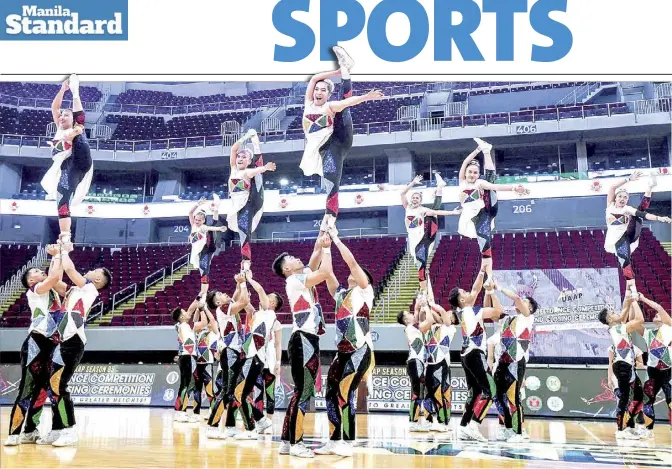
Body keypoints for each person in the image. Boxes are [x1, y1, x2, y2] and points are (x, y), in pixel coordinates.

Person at [300, 46, 384, 229]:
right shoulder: (308, 103)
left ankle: (330, 217)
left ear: (328, 94)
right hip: (321, 146)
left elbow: (347, 101)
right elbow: (314, 78)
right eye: (317, 90)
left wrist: (366, 97)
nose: (319, 92)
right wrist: (337, 71)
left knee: (331, 177)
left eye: (323, 90)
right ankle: (346, 69)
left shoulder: (330, 106)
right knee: (327, 174)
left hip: (338, 140)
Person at [315, 228, 375, 456]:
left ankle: (344, 442)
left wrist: (337, 239)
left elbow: (351, 262)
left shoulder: (365, 291)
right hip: (342, 352)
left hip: (360, 350)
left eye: (360, 273)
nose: (354, 273)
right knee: (332, 394)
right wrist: (325, 246)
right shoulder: (340, 293)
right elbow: (326, 272)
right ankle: (337, 440)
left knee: (343, 392)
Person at [44, 246, 111, 447]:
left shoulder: (89, 288)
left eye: (96, 271)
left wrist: (64, 249)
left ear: (98, 280)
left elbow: (71, 270)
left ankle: (69, 429)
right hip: (62, 340)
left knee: (59, 385)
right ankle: (57, 429)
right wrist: (56, 257)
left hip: (74, 342)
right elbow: (53, 280)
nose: (92, 270)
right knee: (52, 386)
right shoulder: (75, 290)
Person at [272, 234, 333, 458]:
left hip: (307, 339)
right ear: (286, 269)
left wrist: (324, 232)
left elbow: (314, 257)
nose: (298, 258)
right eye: (291, 258)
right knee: (304, 392)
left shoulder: (300, 276)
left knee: (300, 392)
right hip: (303, 340)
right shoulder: (294, 281)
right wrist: (327, 249)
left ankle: (287, 442)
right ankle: (297, 443)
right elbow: (324, 271)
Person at [4, 245, 67, 446]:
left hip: (53, 344)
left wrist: (60, 254)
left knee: (45, 390)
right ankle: (14, 433)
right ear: (31, 280)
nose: (42, 272)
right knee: (26, 388)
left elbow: (58, 276)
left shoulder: (53, 291)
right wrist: (57, 254)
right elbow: (54, 277)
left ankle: (31, 430)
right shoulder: (35, 290)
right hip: (36, 342)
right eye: (38, 272)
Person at [457, 138, 528, 283]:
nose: (472, 174)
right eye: (470, 172)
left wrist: (514, 188)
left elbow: (496, 187)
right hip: (473, 217)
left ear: (478, 174)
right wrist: (477, 150)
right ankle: (486, 150)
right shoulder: (462, 182)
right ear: (465, 173)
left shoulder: (480, 182)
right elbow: (465, 162)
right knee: (484, 247)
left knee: (491, 183)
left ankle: (489, 277)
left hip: (487, 210)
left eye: (475, 173)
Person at [448, 266, 503, 442]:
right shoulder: (470, 311)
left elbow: (475, 289)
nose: (468, 291)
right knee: (489, 389)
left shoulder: (464, 310)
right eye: (463, 292)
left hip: (466, 354)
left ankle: (464, 426)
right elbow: (497, 312)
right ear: (462, 299)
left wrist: (481, 271)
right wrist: (492, 291)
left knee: (475, 391)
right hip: (474, 354)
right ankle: (473, 425)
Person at [40, 75, 93, 247]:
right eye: (61, 115)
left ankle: (77, 92)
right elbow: (54, 107)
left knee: (80, 130)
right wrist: (62, 90)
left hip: (81, 158)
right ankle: (65, 237)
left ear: (72, 118)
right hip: (67, 167)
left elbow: (77, 120)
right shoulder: (58, 128)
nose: (62, 117)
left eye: (66, 115)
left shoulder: (75, 126)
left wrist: (74, 131)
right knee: (62, 199)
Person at [231, 271, 283, 440]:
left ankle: (251, 429)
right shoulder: (257, 314)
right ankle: (261, 420)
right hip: (250, 357)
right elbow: (244, 303)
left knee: (239, 393)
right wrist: (241, 283)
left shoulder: (270, 314)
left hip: (255, 358)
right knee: (241, 393)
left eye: (270, 297)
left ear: (273, 303)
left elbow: (260, 290)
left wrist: (249, 278)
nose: (266, 297)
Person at [604, 172, 670, 296]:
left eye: (625, 198)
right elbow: (612, 187)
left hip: (629, 236)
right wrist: (628, 179)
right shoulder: (610, 206)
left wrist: (659, 218)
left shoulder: (627, 209)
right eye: (620, 197)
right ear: (615, 198)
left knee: (639, 212)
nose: (622, 199)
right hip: (614, 241)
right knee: (624, 261)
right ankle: (633, 289)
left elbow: (643, 214)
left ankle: (650, 187)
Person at [204, 274, 250, 439]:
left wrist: (238, 283)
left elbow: (235, 297)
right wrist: (244, 283)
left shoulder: (226, 306)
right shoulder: (222, 309)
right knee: (227, 391)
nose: (225, 294)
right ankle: (212, 426)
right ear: (218, 302)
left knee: (235, 390)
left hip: (234, 352)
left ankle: (230, 427)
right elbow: (243, 302)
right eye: (220, 295)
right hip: (230, 352)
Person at [491, 286, 538, 443]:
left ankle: (518, 433)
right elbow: (497, 309)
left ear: (529, 308)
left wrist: (498, 286)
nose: (520, 302)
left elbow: (517, 299)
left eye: (525, 302)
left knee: (513, 397)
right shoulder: (509, 319)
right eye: (522, 301)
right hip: (502, 362)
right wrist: (491, 291)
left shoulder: (527, 318)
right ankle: (508, 428)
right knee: (498, 396)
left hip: (516, 362)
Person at [401, 174, 461, 296]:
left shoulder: (423, 210)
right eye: (414, 197)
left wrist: (453, 213)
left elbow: (437, 211)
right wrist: (412, 183)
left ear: (420, 201)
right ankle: (440, 187)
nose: (415, 199)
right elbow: (402, 194)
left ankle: (423, 292)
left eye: (417, 198)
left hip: (426, 237)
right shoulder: (407, 208)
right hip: (414, 241)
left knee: (420, 266)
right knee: (419, 264)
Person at [228, 128, 276, 271]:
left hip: (249, 202)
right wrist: (244, 138)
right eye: (239, 157)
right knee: (243, 232)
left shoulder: (247, 171)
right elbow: (233, 149)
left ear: (249, 161)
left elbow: (256, 170)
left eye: (244, 157)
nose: (240, 159)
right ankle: (245, 261)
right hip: (237, 204)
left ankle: (246, 261)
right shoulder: (233, 169)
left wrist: (265, 168)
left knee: (245, 232)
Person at [599, 296, 645, 439]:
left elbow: (624, 312)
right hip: (622, 366)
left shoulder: (618, 326)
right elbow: (640, 321)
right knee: (625, 398)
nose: (615, 313)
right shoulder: (617, 328)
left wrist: (629, 298)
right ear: (609, 320)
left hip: (628, 366)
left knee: (637, 396)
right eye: (611, 313)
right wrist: (635, 302)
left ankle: (630, 426)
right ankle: (620, 430)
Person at [636, 295, 672, 435]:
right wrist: (634, 302)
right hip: (653, 372)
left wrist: (643, 299)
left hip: (667, 371)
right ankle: (648, 430)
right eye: (655, 315)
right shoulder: (648, 333)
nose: (657, 315)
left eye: (659, 315)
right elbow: (638, 323)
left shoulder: (669, 327)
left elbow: (659, 307)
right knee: (647, 400)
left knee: (670, 400)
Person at [422, 298, 458, 434]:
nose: (446, 314)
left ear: (453, 320)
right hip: (429, 363)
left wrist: (433, 304)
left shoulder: (450, 328)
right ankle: (430, 420)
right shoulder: (436, 326)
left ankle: (442, 421)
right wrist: (426, 305)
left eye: (449, 314)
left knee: (439, 393)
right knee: (429, 393)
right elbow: (434, 315)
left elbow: (441, 312)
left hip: (440, 363)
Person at [397, 300, 434, 432]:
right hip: (415, 362)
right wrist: (426, 307)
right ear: (406, 320)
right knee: (417, 393)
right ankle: (413, 422)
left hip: (418, 362)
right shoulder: (412, 328)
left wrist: (419, 304)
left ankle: (416, 420)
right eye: (409, 314)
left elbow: (417, 314)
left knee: (418, 392)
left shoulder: (412, 327)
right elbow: (429, 322)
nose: (413, 314)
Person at [188, 198, 228, 300]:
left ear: (203, 220)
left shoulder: (203, 227)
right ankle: (216, 209)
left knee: (204, 269)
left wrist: (220, 229)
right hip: (198, 250)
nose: (197, 221)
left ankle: (203, 292)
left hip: (207, 248)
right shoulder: (193, 225)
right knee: (202, 270)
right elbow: (190, 212)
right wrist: (197, 204)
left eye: (199, 220)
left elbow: (211, 228)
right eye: (196, 219)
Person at [171, 299, 200, 423]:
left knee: (189, 384)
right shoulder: (180, 325)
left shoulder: (186, 325)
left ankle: (182, 410)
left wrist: (200, 297)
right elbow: (191, 309)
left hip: (190, 356)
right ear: (181, 317)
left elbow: (192, 308)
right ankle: (179, 411)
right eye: (185, 312)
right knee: (185, 384)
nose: (189, 313)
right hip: (186, 356)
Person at [192, 303, 219, 420]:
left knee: (209, 390)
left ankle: (212, 411)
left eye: (209, 322)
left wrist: (205, 309)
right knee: (197, 389)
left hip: (208, 363)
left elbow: (213, 321)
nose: (208, 323)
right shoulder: (200, 331)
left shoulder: (215, 333)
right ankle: (196, 413)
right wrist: (198, 309)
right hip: (198, 363)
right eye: (206, 322)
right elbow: (194, 320)